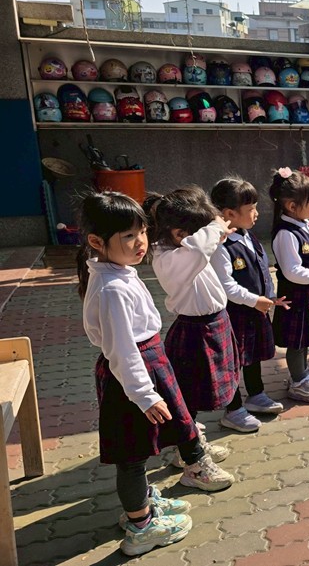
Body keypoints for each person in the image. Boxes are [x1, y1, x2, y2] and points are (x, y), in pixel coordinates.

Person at [79, 193, 227, 555]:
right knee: (132, 456)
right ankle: (141, 527)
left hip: (146, 365)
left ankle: (142, 506)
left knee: (141, 448)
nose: (140, 242)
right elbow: (122, 350)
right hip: (133, 375)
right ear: (97, 241)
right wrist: (145, 395)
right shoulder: (112, 288)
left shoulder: (117, 272)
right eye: (128, 236)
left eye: (142, 232)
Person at [148, 186, 240, 486]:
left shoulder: (182, 249)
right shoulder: (169, 257)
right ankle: (194, 464)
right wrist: (215, 227)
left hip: (210, 325)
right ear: (178, 234)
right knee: (185, 399)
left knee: (194, 396)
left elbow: (202, 247)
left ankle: (190, 445)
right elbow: (200, 248)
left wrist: (214, 231)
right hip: (194, 331)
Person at [209, 177, 287, 433]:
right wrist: (255, 300)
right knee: (233, 361)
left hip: (256, 309)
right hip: (236, 313)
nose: (256, 213)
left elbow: (263, 269)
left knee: (252, 355)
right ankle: (233, 409)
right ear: (229, 214)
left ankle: (256, 394)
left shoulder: (247, 236)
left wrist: (270, 296)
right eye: (251, 208)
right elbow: (226, 285)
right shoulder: (220, 245)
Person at [269, 167, 309, 403]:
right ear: (291, 206)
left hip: (307, 293)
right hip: (295, 296)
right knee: (297, 342)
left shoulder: (305, 224)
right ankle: (298, 382)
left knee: (305, 338)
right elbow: (292, 271)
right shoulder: (286, 233)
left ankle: (303, 375)